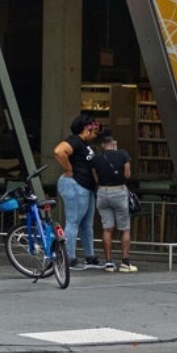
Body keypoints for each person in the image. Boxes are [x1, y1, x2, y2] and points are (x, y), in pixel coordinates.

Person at [53, 111, 102, 269]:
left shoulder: (83, 144)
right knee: (73, 222)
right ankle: (69, 257)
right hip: (75, 184)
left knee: (86, 224)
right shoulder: (75, 141)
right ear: (86, 129)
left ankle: (89, 256)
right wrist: (69, 169)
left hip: (85, 186)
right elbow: (59, 151)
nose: (95, 134)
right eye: (94, 131)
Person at [92, 130, 137, 272]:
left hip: (103, 193)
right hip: (119, 191)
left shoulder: (96, 159)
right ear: (112, 143)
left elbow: (96, 179)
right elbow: (127, 175)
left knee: (107, 228)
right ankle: (125, 262)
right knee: (124, 228)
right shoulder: (123, 154)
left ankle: (109, 262)